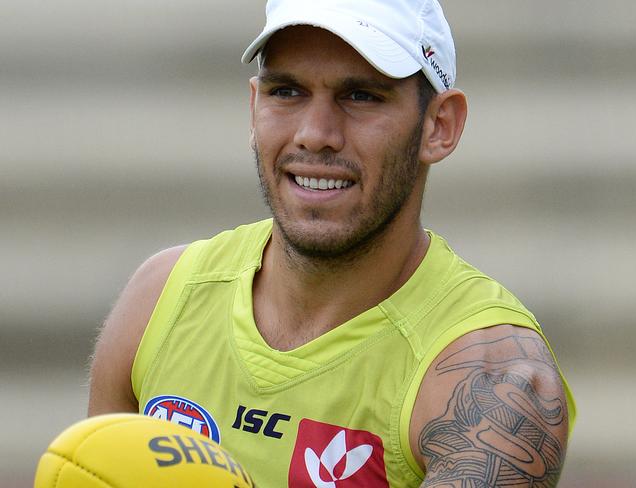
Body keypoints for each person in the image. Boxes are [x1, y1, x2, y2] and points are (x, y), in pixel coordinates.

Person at [88, 0, 576, 486]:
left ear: (439, 125)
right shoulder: (160, 299)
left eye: (361, 96)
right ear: (254, 107)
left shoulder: (496, 384)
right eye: (287, 91)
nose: (315, 134)